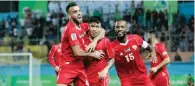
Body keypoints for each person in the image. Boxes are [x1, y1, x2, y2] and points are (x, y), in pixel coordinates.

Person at [57, 2, 105, 86]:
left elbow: (102, 30)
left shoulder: (82, 26)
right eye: (75, 12)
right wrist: (94, 54)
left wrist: (94, 42)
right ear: (69, 16)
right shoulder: (71, 30)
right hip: (68, 66)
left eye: (79, 11)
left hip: (80, 66)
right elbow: (78, 53)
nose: (79, 13)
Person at [102, 20, 154, 86]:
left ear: (127, 29)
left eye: (122, 27)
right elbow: (110, 60)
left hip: (142, 76)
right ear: (115, 29)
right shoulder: (112, 46)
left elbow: (149, 47)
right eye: (118, 27)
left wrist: (151, 54)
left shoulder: (136, 38)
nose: (120, 29)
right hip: (126, 79)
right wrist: (105, 69)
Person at [83, 17, 111, 86]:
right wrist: (92, 54)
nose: (95, 29)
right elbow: (76, 55)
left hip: (101, 77)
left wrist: (106, 69)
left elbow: (112, 57)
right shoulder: (82, 40)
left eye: (97, 27)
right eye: (92, 26)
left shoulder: (105, 41)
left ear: (100, 28)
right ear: (88, 26)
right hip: (85, 77)